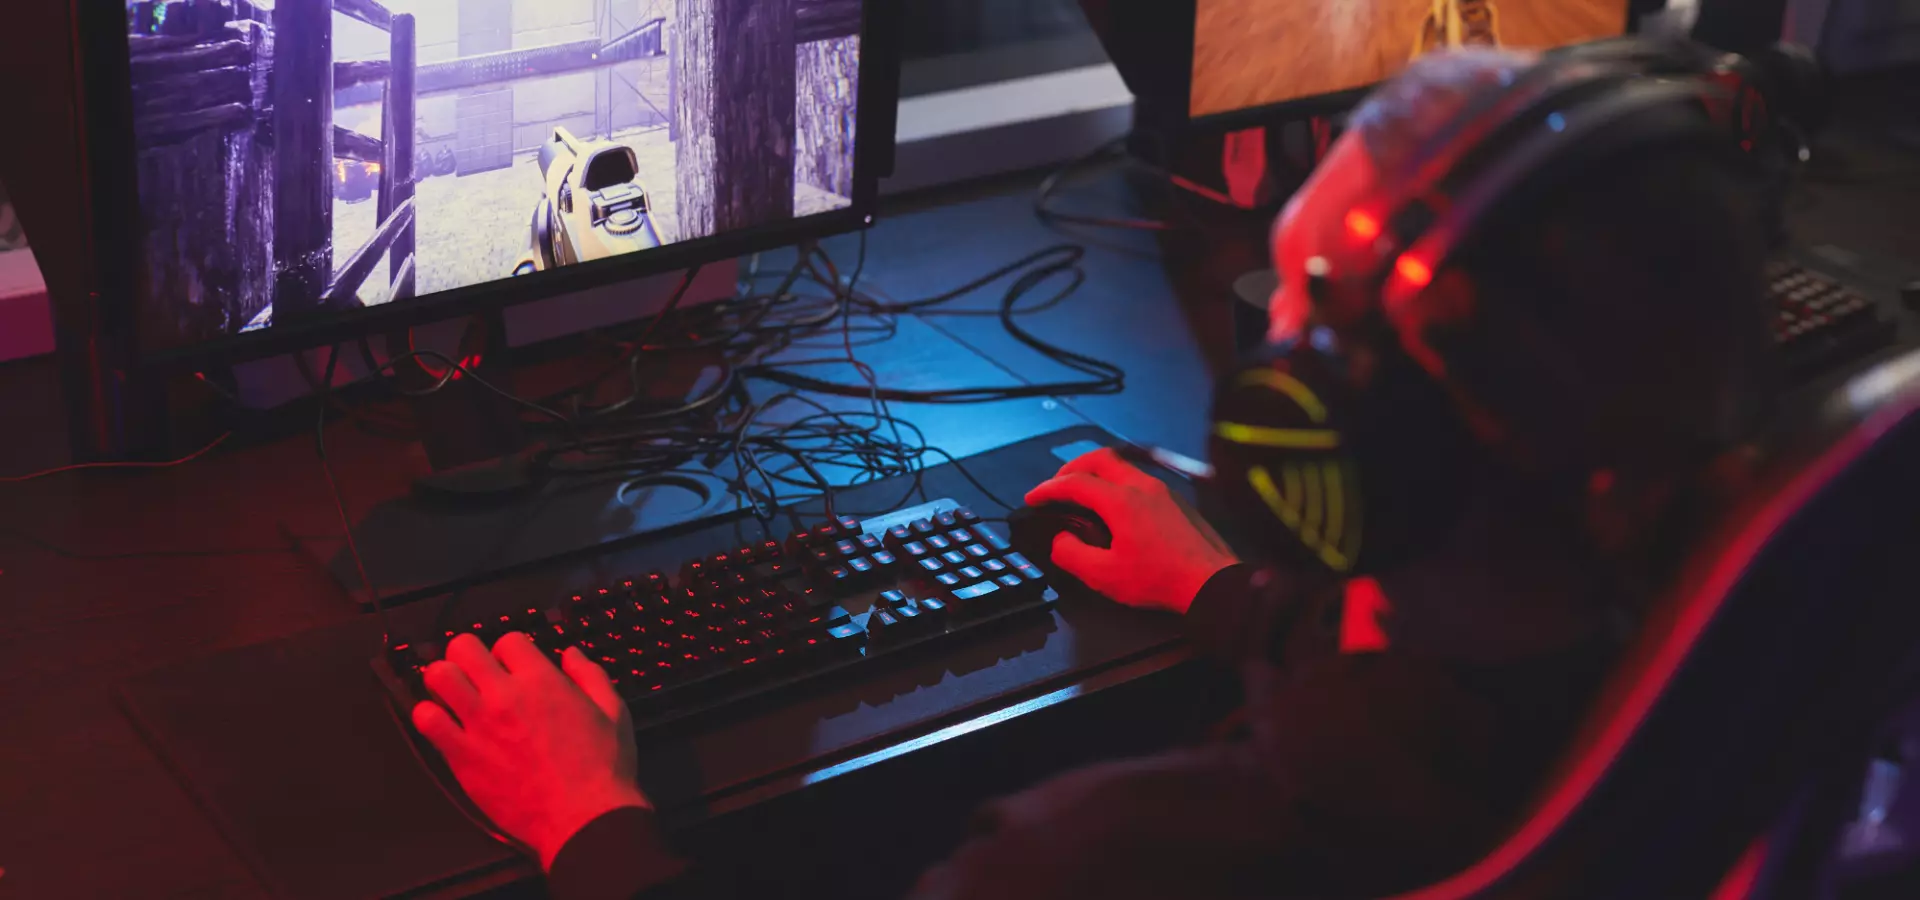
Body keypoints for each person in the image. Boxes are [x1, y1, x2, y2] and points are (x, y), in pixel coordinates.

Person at [407, 47, 1776, 900]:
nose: (1267, 350)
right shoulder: (1712, 651)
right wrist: (1232, 595)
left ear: (1325, 434)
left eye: (1297, 314)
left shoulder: (1111, 858)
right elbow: (1454, 705)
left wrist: (588, 822)